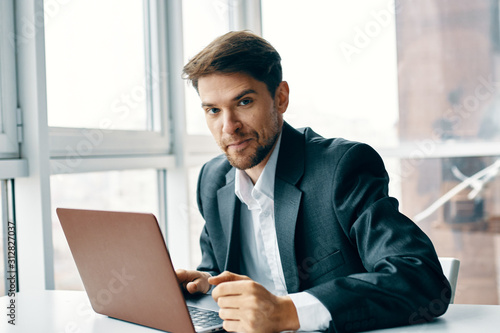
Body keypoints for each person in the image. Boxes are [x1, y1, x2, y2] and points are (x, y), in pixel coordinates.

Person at [177, 30, 451, 333]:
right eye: (213, 110)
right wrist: (205, 283)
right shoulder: (213, 180)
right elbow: (219, 270)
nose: (228, 127)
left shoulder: (342, 168)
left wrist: (286, 311)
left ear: (280, 98)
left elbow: (420, 278)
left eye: (243, 102)